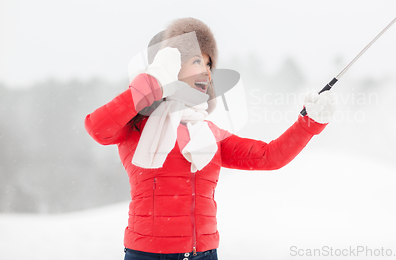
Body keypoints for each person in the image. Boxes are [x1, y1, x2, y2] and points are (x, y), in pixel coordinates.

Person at [84, 18, 336, 260]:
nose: (206, 72)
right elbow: (97, 128)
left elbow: (269, 157)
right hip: (146, 256)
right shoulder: (135, 126)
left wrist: (309, 123)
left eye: (209, 64)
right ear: (172, 66)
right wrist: (153, 81)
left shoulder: (210, 133)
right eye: (196, 61)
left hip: (204, 255)